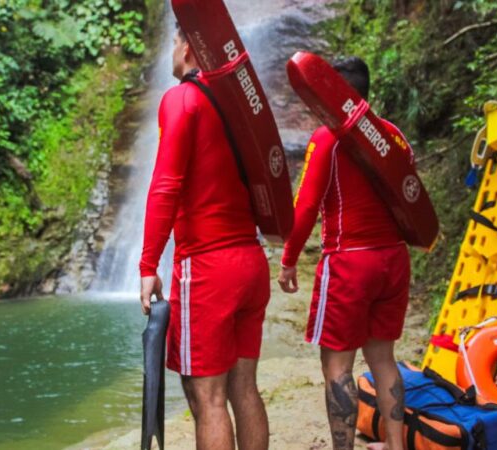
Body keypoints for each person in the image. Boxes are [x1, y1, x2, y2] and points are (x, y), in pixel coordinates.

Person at [139, 24, 270, 450]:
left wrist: (147, 265)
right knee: (244, 387)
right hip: (251, 262)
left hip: (208, 269)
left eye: (175, 43)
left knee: (207, 398)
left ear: (191, 49)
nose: (171, 52)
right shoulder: (237, 108)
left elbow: (165, 184)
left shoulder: (181, 99)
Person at [278, 57, 410, 450]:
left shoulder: (328, 139)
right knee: (383, 359)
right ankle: (397, 446)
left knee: (337, 366)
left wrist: (288, 259)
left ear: (339, 94)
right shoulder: (394, 135)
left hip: (349, 263)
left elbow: (304, 206)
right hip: (393, 261)